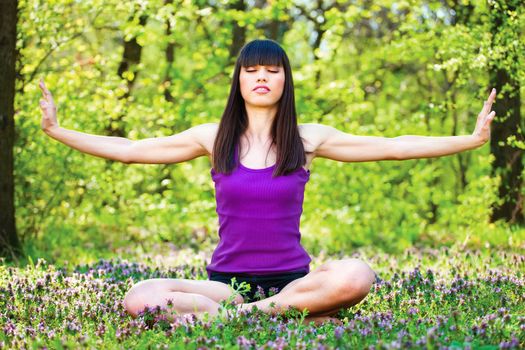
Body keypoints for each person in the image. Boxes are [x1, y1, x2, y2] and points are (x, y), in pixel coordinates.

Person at [39, 39, 496, 326]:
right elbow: (131, 150)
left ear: (284, 81)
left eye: (272, 70)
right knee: (140, 297)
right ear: (239, 80)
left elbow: (394, 145)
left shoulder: (308, 138)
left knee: (359, 274)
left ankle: (248, 319)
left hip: (294, 284)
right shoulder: (212, 137)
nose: (262, 77)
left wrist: (471, 139)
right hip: (226, 285)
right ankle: (294, 319)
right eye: (252, 70)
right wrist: (59, 131)